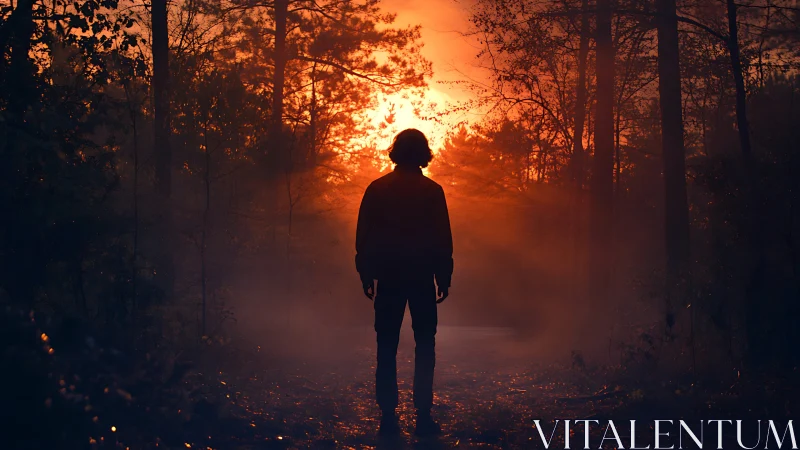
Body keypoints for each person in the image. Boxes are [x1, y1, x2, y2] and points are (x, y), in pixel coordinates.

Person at [355, 128, 454, 437]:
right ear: (423, 153)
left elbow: (364, 236)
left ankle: (388, 412)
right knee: (425, 344)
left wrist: (366, 271)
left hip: (389, 275)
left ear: (396, 151)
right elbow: (442, 238)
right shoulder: (432, 191)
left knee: (386, 344)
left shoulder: (377, 188)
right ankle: (423, 411)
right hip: (422, 276)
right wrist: (444, 275)